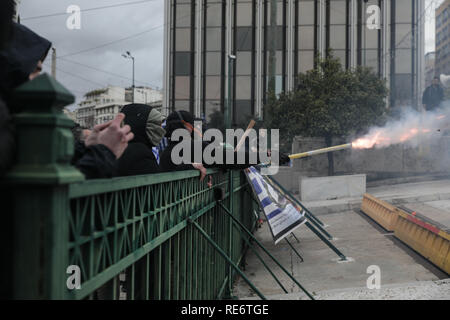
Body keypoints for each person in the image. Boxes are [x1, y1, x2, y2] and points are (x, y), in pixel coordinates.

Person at [160, 111, 290, 180]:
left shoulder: (167, 152)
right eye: (193, 126)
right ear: (185, 127)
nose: (196, 129)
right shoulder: (190, 148)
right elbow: (230, 158)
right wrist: (266, 155)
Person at [116, 104, 166, 176]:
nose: (161, 129)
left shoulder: (121, 149)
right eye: (156, 124)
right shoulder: (140, 154)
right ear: (141, 126)